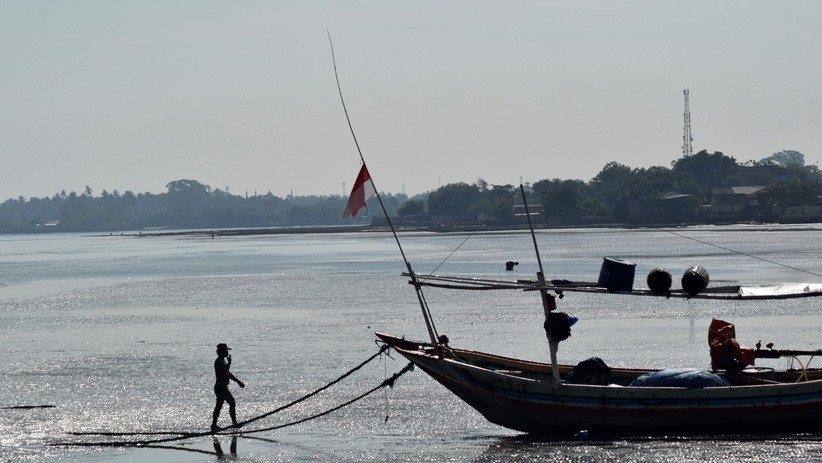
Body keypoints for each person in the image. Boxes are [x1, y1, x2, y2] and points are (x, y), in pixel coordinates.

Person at [211, 343, 245, 431]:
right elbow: (223, 373)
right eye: (225, 350)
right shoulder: (218, 361)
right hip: (220, 388)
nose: (227, 352)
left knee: (219, 406)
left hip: (223, 387)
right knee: (231, 403)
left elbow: (228, 374)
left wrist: (238, 381)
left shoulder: (223, 361)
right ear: (221, 352)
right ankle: (233, 423)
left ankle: (214, 425)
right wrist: (229, 363)